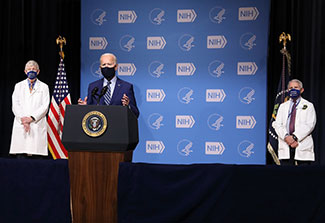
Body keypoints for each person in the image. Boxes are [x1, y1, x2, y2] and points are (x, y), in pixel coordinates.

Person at [78, 53, 139, 118]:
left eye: (109, 64)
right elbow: (89, 111)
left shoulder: (126, 87)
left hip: (119, 125)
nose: (106, 67)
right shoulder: (93, 86)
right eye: (103, 64)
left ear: (116, 67)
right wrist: (85, 107)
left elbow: (135, 113)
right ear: (100, 67)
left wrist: (128, 106)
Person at [9, 60, 50, 158]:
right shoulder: (18, 86)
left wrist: (31, 118)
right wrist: (24, 120)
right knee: (21, 157)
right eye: (29, 69)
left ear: (38, 71)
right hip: (21, 124)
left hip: (36, 124)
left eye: (33, 69)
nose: (31, 71)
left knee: (37, 157)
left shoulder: (44, 87)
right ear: (25, 71)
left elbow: (45, 106)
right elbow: (15, 104)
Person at [272, 79, 316, 165]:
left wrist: (294, 137)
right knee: (286, 176)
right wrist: (286, 137)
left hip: (301, 145)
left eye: (296, 87)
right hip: (286, 144)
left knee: (304, 176)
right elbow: (277, 124)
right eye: (291, 88)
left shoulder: (308, 106)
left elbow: (310, 125)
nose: (293, 90)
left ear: (301, 90)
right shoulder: (282, 106)